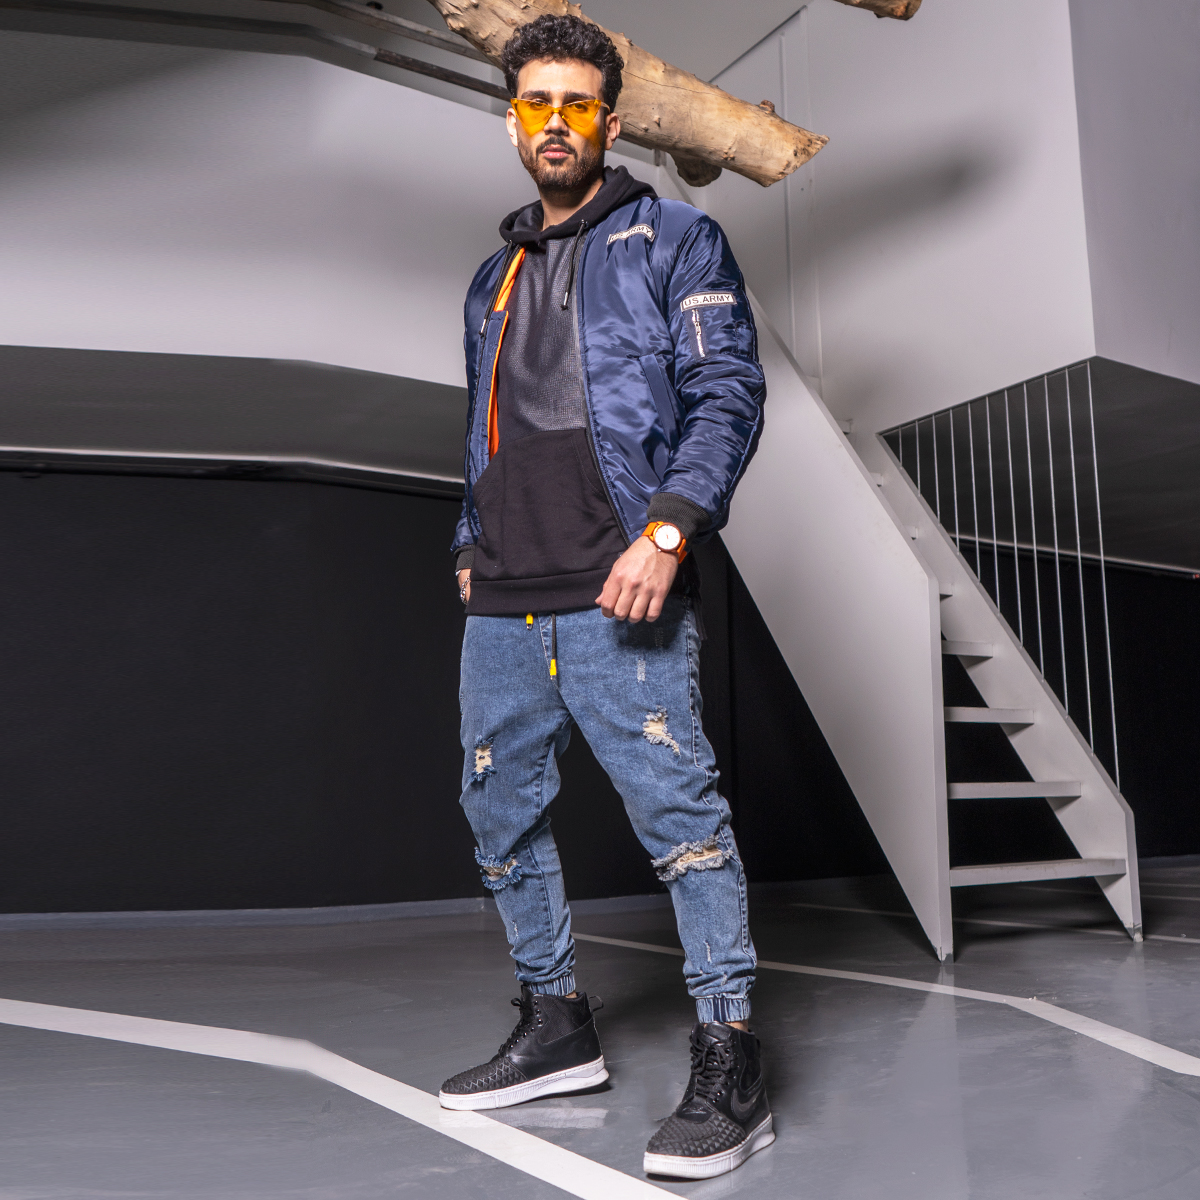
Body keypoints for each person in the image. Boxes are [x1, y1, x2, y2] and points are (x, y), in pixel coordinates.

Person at [438, 13, 770, 1180]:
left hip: (620, 581)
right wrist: (469, 540)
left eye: (577, 104)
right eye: (537, 103)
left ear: (609, 122)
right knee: (499, 814)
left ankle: (731, 1056)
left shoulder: (676, 238)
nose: (556, 122)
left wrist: (669, 531)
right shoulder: (492, 276)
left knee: (681, 821)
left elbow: (728, 390)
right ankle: (556, 1025)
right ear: (514, 122)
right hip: (504, 593)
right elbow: (483, 429)